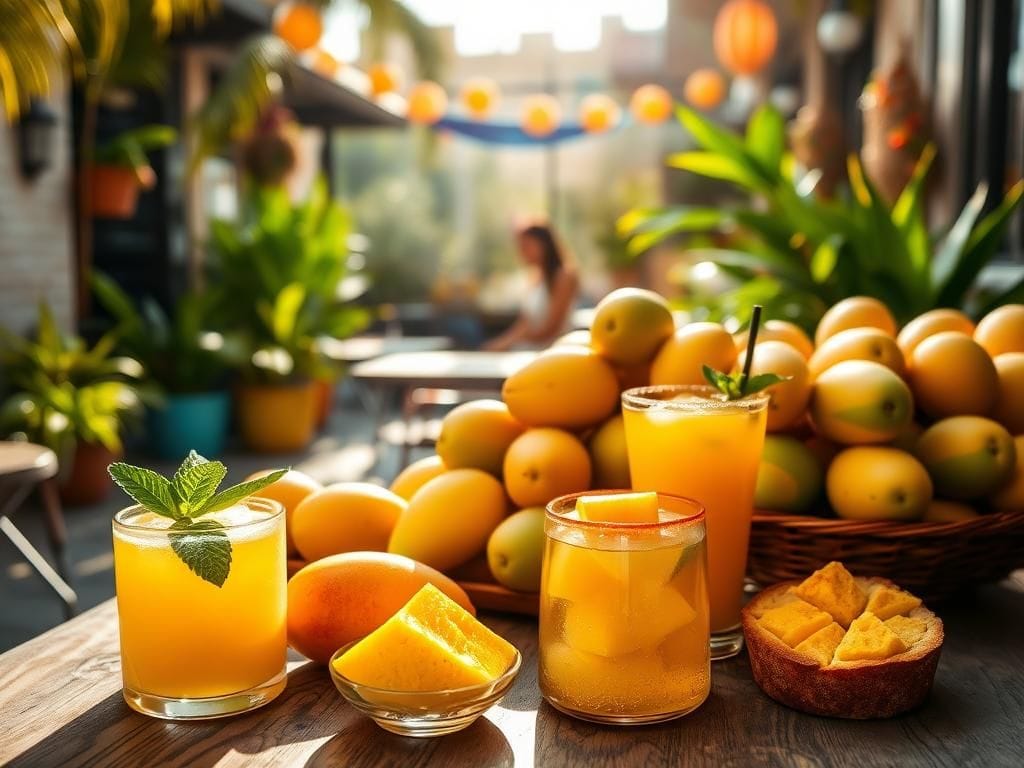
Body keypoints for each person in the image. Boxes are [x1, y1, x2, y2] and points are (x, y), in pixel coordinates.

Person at [484, 224, 579, 351]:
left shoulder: (564, 276)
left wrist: (510, 343)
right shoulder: (534, 278)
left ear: (544, 245)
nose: (521, 252)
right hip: (529, 348)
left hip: (554, 352)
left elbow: (551, 329)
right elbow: (524, 324)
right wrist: (500, 343)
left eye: (526, 246)